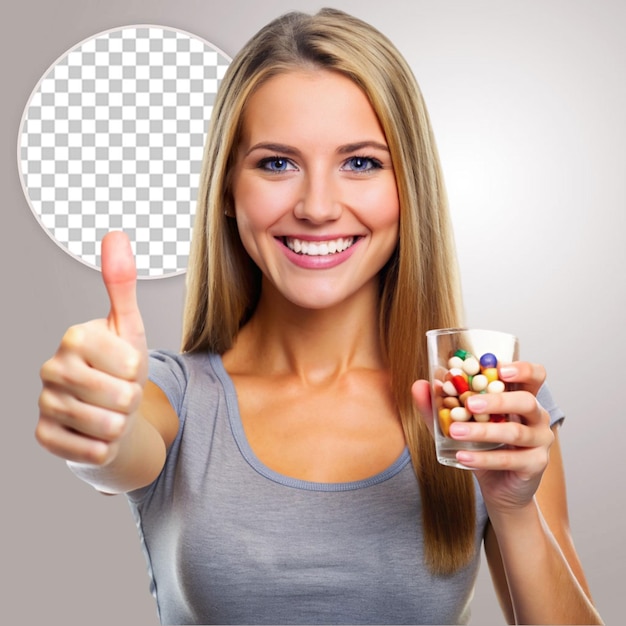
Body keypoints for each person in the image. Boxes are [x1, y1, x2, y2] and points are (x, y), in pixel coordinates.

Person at [35, 7, 603, 625]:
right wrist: (99, 422)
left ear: (408, 186)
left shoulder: (486, 407)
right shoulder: (175, 398)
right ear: (228, 190)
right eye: (277, 163)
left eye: (361, 162)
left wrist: (514, 507)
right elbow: (118, 446)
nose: (317, 207)